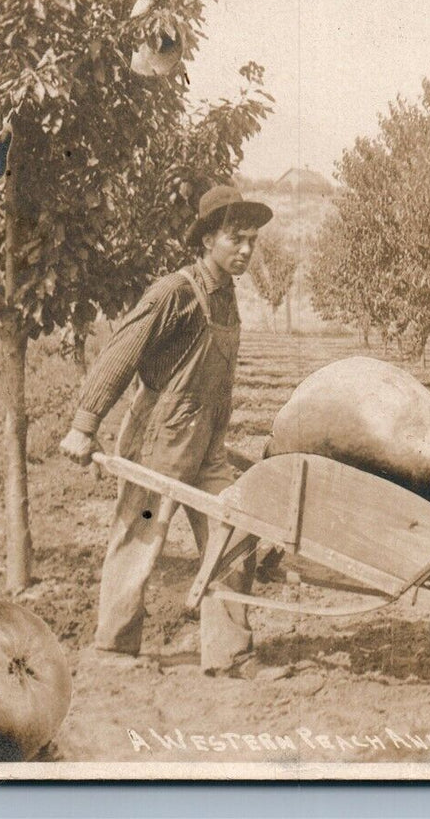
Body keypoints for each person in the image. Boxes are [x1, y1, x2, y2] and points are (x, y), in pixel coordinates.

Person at [59, 185, 273, 674]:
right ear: (206, 240)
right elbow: (121, 353)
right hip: (161, 444)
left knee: (234, 536)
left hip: (207, 447)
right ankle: (114, 647)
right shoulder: (175, 292)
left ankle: (230, 655)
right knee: (142, 536)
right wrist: (84, 425)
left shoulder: (228, 298)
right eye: (235, 239)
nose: (244, 250)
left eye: (252, 242)